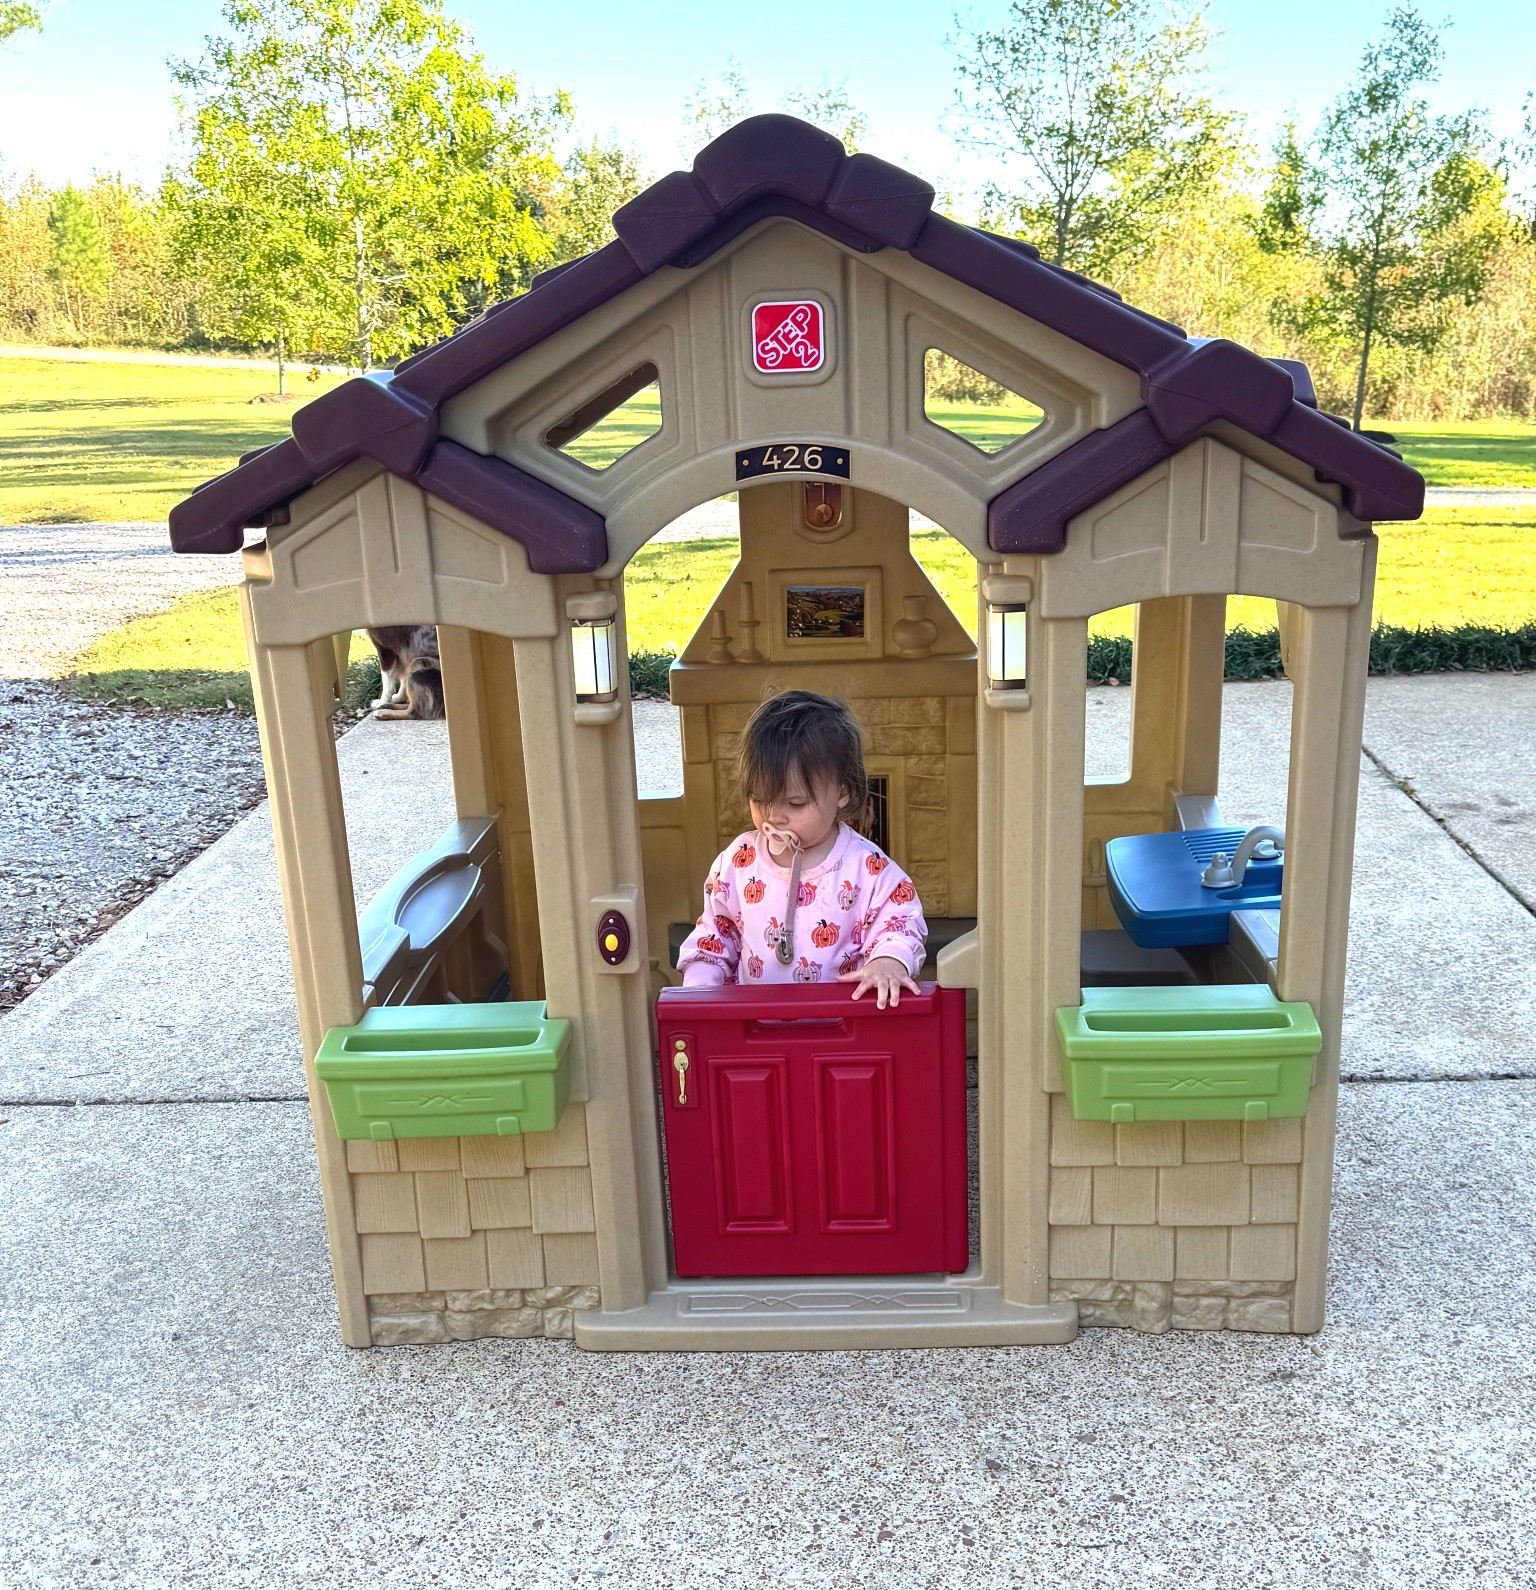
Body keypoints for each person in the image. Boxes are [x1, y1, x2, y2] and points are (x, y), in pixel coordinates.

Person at [677, 690, 928, 1007]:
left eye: (795, 803)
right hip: (755, 1031)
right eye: (758, 799)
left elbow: (901, 920)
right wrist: (700, 986)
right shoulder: (738, 862)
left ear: (843, 791)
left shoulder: (867, 868)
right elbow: (715, 935)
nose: (773, 815)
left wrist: (889, 960)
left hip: (841, 1030)